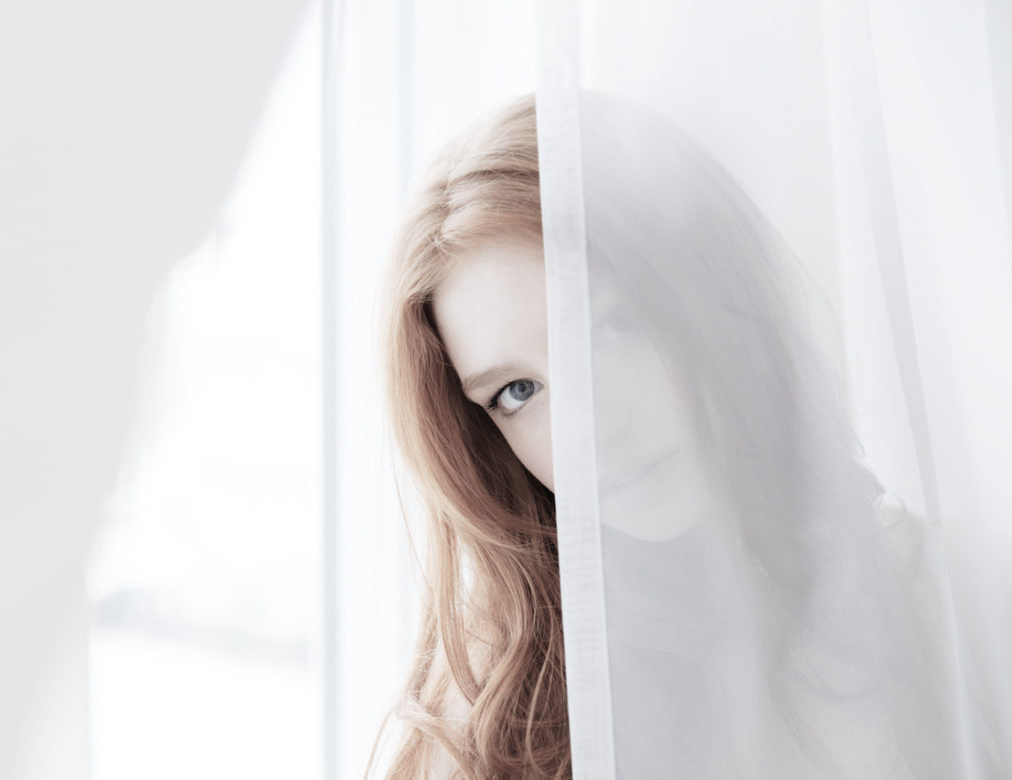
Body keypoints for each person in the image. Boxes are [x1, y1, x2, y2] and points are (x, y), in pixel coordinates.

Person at [374, 94, 966, 779]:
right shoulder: (497, 723)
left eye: (612, 329)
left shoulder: (926, 589)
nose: (591, 431)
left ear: (706, 293)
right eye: (518, 392)